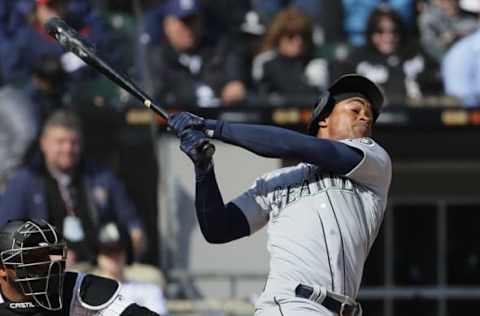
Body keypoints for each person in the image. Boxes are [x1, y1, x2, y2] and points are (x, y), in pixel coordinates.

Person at [168, 73, 392, 315]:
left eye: (369, 115)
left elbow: (295, 145)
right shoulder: (277, 182)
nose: (365, 117)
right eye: (355, 109)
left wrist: (213, 128)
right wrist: (204, 169)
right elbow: (218, 228)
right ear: (324, 118)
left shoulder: (374, 162)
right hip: (288, 304)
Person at [0, 110, 145, 264]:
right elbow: (6, 238)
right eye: (60, 142)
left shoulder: (101, 178)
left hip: (101, 269)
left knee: (153, 279)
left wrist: (121, 256)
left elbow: (135, 230)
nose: (68, 149)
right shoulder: (24, 182)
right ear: (44, 143)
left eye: (74, 142)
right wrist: (46, 257)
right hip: (45, 275)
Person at [0, 219, 158, 315]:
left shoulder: (76, 290)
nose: (46, 265)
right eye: (33, 259)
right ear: (2, 269)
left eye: (49, 256)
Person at [334, 5, 443, 104]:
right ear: (371, 33)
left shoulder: (417, 56)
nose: (388, 37)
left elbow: (435, 90)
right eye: (380, 31)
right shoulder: (355, 60)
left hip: (416, 118)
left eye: (394, 31)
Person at [147, 0, 247, 108]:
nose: (189, 29)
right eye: (183, 22)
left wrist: (235, 83)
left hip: (218, 120)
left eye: (193, 21)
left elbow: (235, 76)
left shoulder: (219, 49)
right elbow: (154, 94)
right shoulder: (157, 58)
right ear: (167, 26)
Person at [251, 6, 328, 103]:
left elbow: (313, 98)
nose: (298, 41)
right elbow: (261, 96)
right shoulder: (264, 61)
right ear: (279, 37)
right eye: (291, 36)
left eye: (303, 36)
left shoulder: (316, 64)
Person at [92, 222, 169, 315]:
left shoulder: (149, 291)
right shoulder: (83, 292)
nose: (113, 257)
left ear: (127, 253)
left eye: (118, 251)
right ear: (97, 255)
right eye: (107, 251)